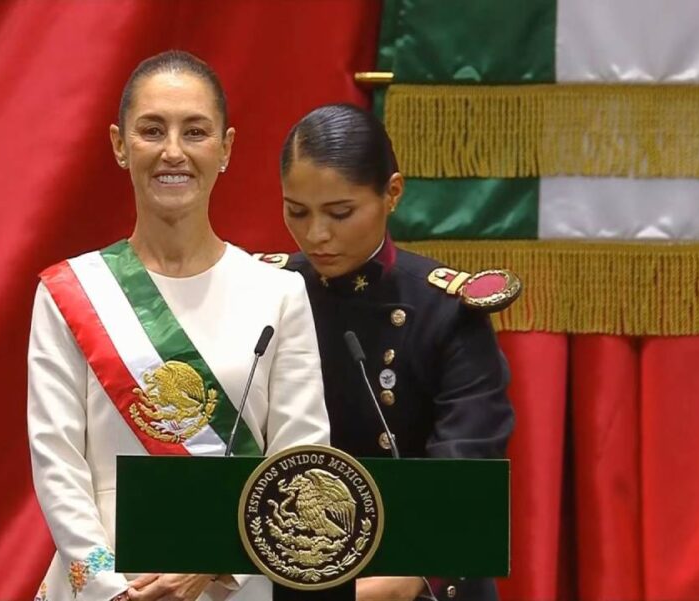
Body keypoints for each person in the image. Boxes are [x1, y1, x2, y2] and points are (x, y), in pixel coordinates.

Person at [28, 51, 330, 601]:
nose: (173, 151)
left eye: (195, 131)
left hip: (232, 585)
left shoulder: (279, 294)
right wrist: (110, 587)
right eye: (151, 130)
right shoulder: (70, 292)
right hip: (106, 584)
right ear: (120, 145)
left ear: (226, 148)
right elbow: (57, 462)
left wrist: (213, 559)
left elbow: (298, 462)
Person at [275, 104, 517, 601]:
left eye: (340, 213)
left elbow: (465, 469)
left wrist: (402, 579)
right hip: (290, 565)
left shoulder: (444, 310)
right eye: (297, 211)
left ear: (392, 193)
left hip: (414, 575)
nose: (316, 234)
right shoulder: (268, 292)